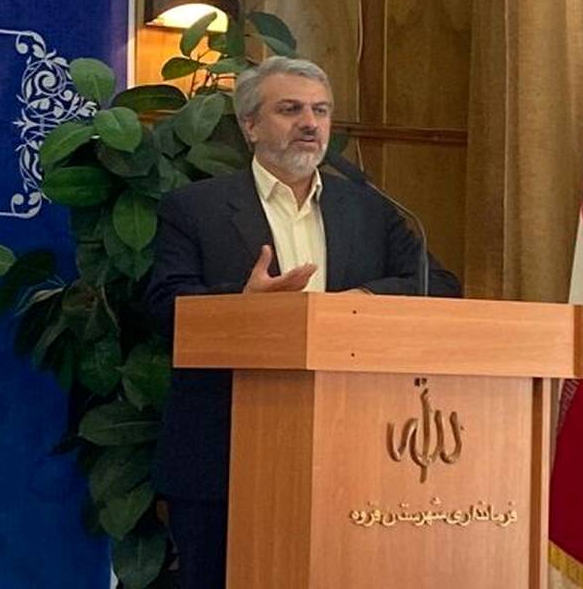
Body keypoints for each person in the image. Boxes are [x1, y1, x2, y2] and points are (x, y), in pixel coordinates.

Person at [145, 56, 461, 589]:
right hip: (225, 456)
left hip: (353, 455)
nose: (310, 124)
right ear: (250, 125)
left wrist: (361, 300)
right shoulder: (194, 208)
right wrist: (244, 303)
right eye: (290, 110)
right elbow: (162, 307)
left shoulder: (368, 209)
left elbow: (442, 284)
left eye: (321, 110)